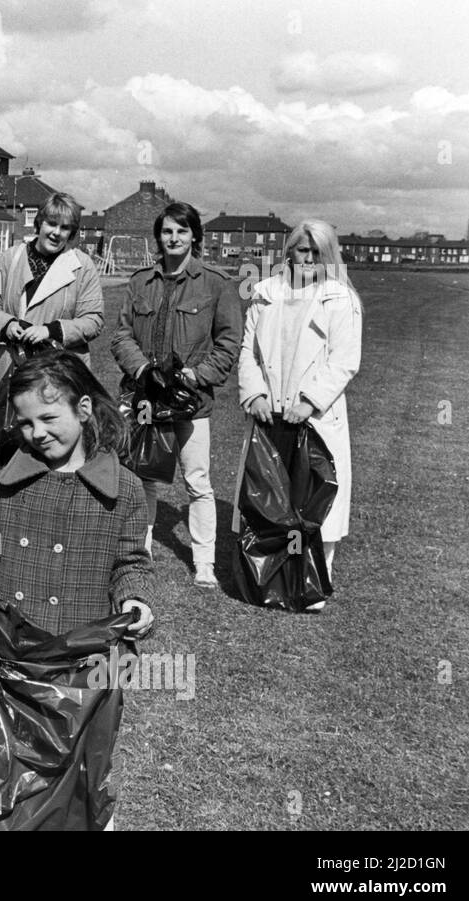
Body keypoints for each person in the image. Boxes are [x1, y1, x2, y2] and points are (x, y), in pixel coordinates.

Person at [0, 352, 154, 832]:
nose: (37, 432)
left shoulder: (124, 489)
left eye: (48, 417)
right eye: (25, 422)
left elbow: (131, 560)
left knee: (80, 764)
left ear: (83, 409)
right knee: (15, 758)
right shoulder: (9, 481)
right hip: (15, 657)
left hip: (83, 663)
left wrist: (135, 599)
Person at [110, 201, 242, 588]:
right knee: (141, 478)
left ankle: (204, 563)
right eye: (167, 231)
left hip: (189, 402)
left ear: (194, 236)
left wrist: (197, 375)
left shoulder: (216, 284)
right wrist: (142, 369)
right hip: (145, 399)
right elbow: (122, 335)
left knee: (198, 482)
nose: (173, 238)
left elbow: (229, 342)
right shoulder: (140, 282)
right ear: (159, 236)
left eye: (182, 231)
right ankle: (139, 553)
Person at [236, 219, 362, 608]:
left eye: (316, 252)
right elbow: (248, 351)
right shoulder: (265, 291)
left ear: (328, 256)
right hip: (269, 413)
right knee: (269, 496)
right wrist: (254, 392)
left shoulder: (340, 298)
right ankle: (267, 580)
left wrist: (309, 401)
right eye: (302, 250)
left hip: (314, 417)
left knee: (314, 500)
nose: (308, 258)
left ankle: (311, 586)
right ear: (289, 250)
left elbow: (344, 362)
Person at [0, 192, 105, 401]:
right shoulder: (10, 258)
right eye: (51, 224)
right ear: (39, 223)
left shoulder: (82, 266)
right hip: (7, 369)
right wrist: (7, 325)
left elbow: (94, 320)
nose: (56, 233)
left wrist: (51, 331)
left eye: (65, 228)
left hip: (58, 374)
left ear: (71, 233)